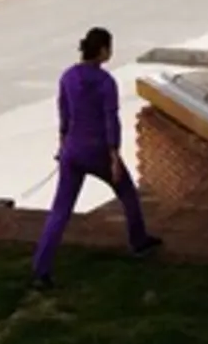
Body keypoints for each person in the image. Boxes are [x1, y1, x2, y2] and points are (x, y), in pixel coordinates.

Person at [32, 27, 159, 287]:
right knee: (127, 193)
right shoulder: (105, 82)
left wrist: (62, 143)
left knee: (60, 210)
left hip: (72, 150)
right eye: (109, 47)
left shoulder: (68, 77)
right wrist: (114, 155)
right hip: (98, 150)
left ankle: (41, 268)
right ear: (102, 50)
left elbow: (64, 113)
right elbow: (111, 119)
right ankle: (139, 242)